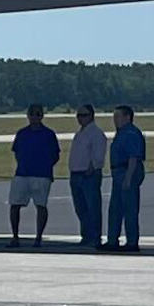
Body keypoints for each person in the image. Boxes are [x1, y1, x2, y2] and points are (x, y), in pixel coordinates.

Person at [6, 105, 59, 250]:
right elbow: (16, 152)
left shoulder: (49, 134)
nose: (35, 117)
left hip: (42, 175)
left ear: (42, 116)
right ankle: (15, 237)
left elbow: (55, 155)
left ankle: (38, 238)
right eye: (32, 114)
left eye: (37, 114)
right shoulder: (22, 133)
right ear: (28, 115)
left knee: (41, 205)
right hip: (22, 173)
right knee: (14, 205)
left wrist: (45, 166)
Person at [105, 105, 148, 252]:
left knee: (129, 208)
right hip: (118, 171)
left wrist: (129, 177)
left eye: (118, 116)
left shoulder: (131, 133)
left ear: (127, 117)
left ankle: (132, 242)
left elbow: (133, 157)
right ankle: (112, 240)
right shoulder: (121, 133)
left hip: (126, 171)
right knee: (115, 208)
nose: (115, 120)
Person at [66, 106, 107, 251]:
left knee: (92, 207)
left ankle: (95, 237)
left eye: (84, 115)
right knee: (80, 208)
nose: (80, 118)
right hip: (76, 174)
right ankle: (86, 235)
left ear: (91, 116)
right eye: (78, 115)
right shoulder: (80, 134)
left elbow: (98, 155)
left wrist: (92, 168)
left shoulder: (96, 133)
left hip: (87, 175)